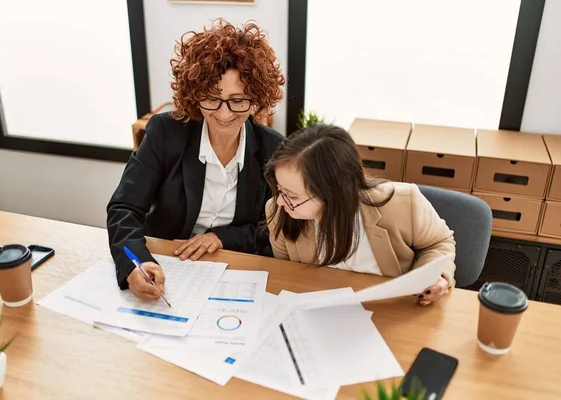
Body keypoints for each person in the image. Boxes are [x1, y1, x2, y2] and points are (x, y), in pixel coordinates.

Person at [107, 20, 285, 299]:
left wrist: (221, 237)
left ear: (257, 99)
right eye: (212, 99)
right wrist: (136, 262)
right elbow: (124, 208)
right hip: (168, 262)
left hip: (236, 266)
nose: (225, 114)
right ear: (195, 94)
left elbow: (273, 226)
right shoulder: (166, 132)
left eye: (238, 100)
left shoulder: (272, 147)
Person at [264, 124, 456, 306]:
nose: (280, 201)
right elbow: (286, 275)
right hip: (320, 309)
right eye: (280, 189)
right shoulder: (279, 211)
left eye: (292, 196)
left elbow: (439, 243)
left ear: (334, 192)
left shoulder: (403, 203)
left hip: (392, 309)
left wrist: (436, 276)